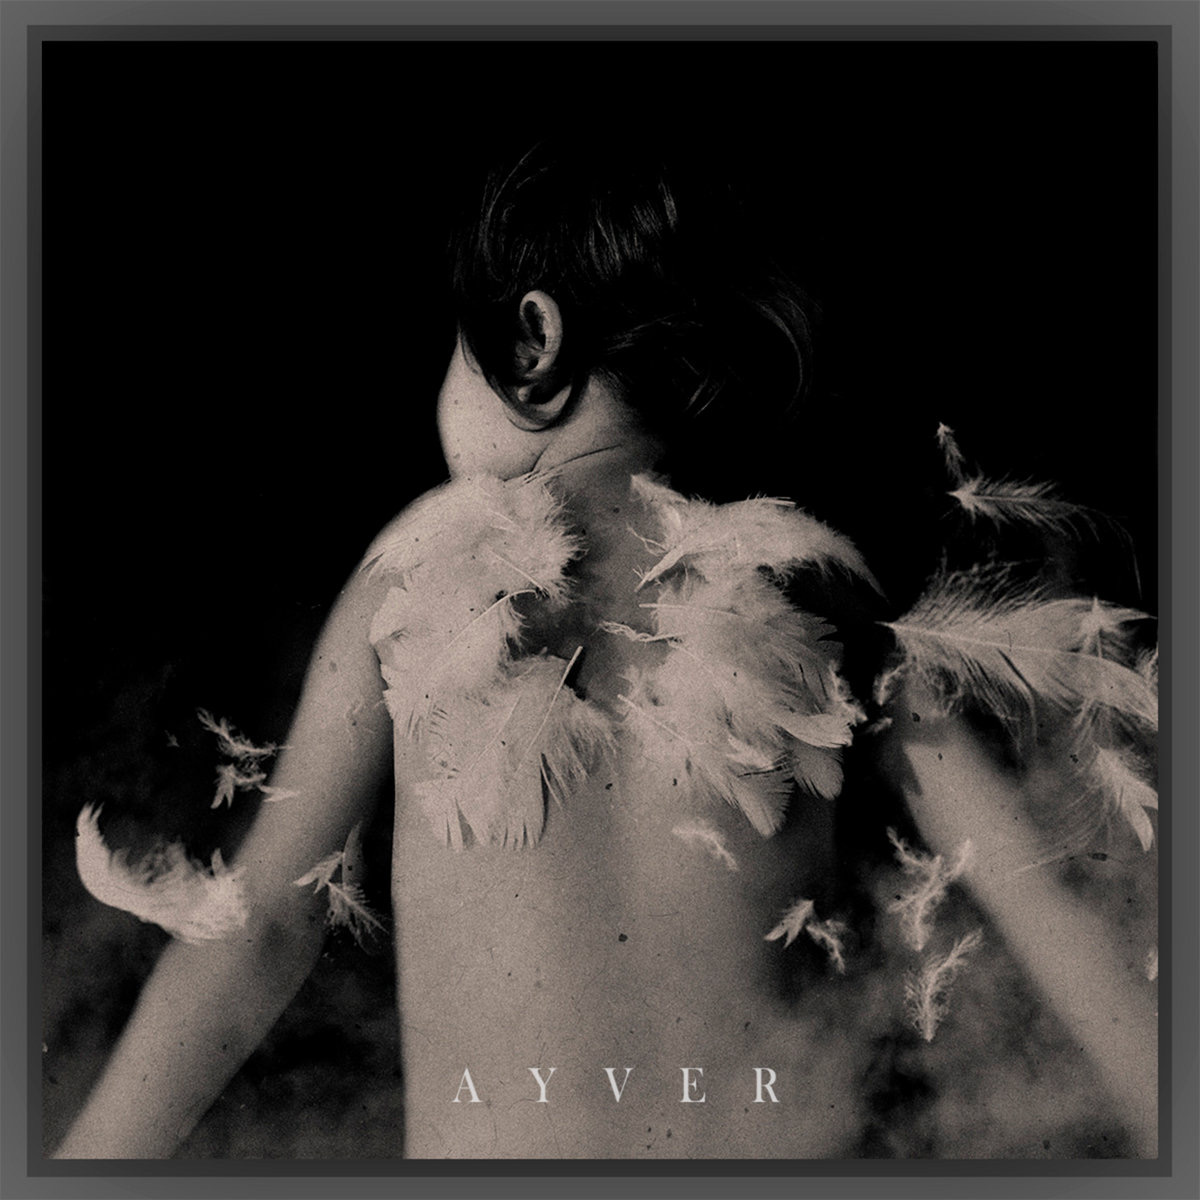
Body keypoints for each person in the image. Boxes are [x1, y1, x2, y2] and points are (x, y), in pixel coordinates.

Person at [54, 134, 1158, 1160]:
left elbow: (258, 931)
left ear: (531, 339)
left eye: (452, 354)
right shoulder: (811, 582)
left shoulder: (422, 573)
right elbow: (1044, 896)